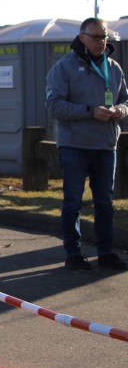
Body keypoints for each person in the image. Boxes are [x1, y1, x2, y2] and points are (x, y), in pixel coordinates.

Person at [45, 17, 128, 271]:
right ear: (82, 38)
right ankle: (73, 253)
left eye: (104, 37)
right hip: (75, 146)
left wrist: (120, 110)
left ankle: (106, 252)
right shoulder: (64, 68)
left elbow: (125, 99)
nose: (101, 42)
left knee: (105, 203)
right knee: (73, 202)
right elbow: (54, 106)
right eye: (96, 37)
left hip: (105, 145)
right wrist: (90, 111)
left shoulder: (113, 68)